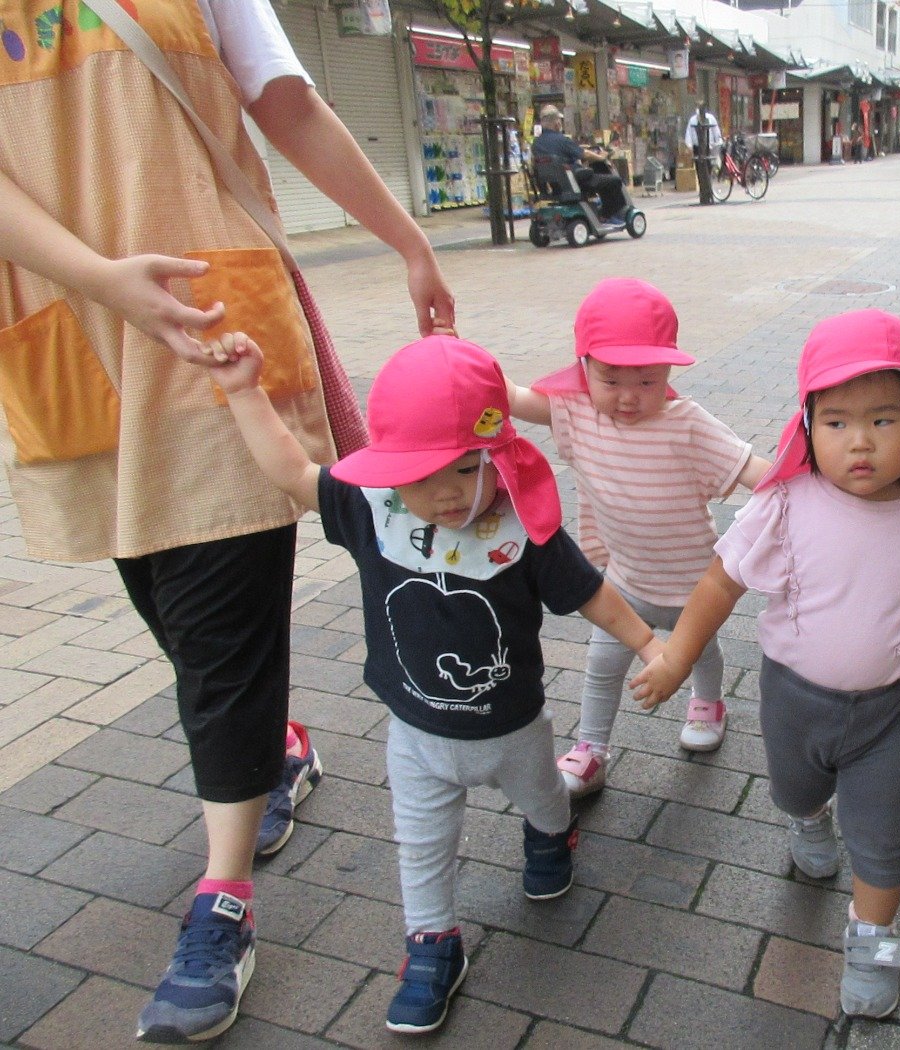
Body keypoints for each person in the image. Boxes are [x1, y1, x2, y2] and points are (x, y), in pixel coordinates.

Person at [0, 2, 454, 1042]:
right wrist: (99, 279)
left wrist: (409, 239)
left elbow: (286, 104)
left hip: (213, 323)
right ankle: (273, 747)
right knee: (165, 603)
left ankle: (223, 901)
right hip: (79, 323)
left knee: (218, 629)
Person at [205, 330, 664, 1034]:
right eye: (420, 476)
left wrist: (649, 644)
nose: (445, 493)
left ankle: (551, 838)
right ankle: (431, 941)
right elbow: (294, 472)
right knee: (420, 847)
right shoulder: (374, 509)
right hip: (415, 735)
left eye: (466, 468)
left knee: (545, 797)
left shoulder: (522, 526)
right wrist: (244, 392)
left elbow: (590, 593)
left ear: (498, 455)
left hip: (514, 727)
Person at [632, 310, 900, 1019]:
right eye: (836, 422)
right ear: (807, 426)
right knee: (796, 790)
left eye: (883, 420)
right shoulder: (787, 505)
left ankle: (873, 940)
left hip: (890, 712)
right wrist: (677, 657)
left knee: (882, 836)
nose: (860, 441)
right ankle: (807, 819)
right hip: (793, 701)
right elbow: (720, 583)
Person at [508, 278, 771, 796]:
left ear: (668, 372)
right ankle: (591, 748)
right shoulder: (576, 412)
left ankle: (708, 703)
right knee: (603, 664)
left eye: (647, 381)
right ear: (583, 366)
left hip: (696, 584)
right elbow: (512, 397)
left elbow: (750, 469)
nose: (628, 397)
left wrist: (807, 488)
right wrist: (458, 354)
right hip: (624, 581)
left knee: (701, 650)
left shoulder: (687, 423)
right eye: (610, 380)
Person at [532, 104, 628, 227]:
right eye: (559, 121)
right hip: (574, 182)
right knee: (614, 181)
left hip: (556, 186)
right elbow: (584, 154)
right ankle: (608, 215)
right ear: (557, 123)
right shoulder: (562, 140)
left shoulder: (537, 144)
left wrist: (580, 148)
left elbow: (569, 151)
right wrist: (601, 157)